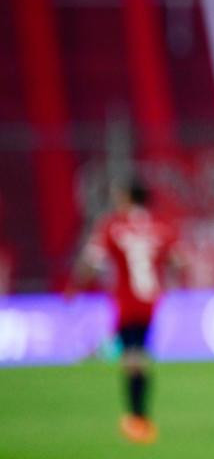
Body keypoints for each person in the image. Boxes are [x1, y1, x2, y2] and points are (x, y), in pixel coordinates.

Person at [74, 179, 181, 444]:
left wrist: (74, 286)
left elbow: (91, 260)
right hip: (151, 299)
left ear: (127, 197)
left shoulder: (112, 224)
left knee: (132, 358)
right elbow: (179, 260)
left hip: (126, 299)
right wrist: (172, 281)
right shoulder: (161, 225)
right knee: (138, 353)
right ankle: (139, 417)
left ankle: (137, 419)